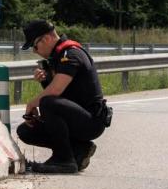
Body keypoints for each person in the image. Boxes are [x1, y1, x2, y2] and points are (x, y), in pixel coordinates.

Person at [17, 20, 112, 174]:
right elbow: (62, 94)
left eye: (35, 46)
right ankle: (78, 149)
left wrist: (31, 104)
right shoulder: (58, 57)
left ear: (46, 39)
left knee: (47, 102)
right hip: (77, 118)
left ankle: (63, 160)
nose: (35, 51)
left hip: (91, 121)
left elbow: (56, 91)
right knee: (26, 130)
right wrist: (45, 79)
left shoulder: (70, 54)